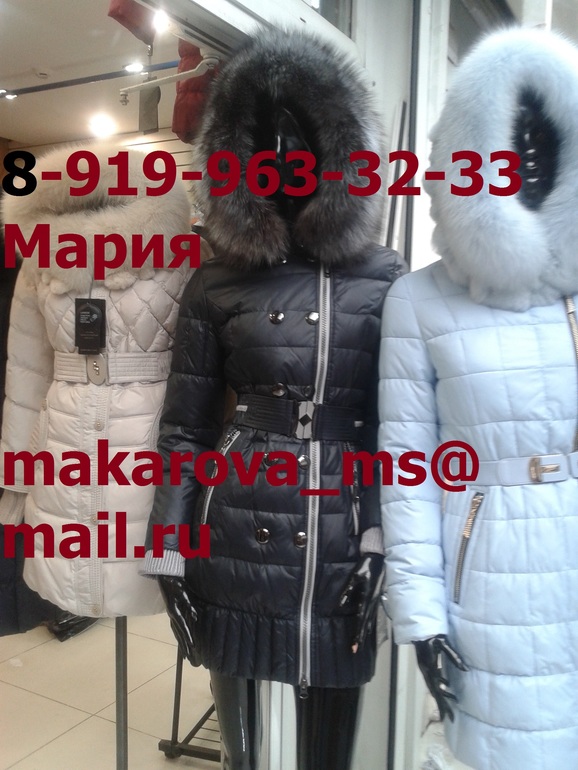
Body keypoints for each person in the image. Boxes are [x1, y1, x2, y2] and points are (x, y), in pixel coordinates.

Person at [143, 28, 406, 770]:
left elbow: (396, 431)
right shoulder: (214, 281)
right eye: (264, 142)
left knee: (329, 754)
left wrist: (381, 542)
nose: (286, 156)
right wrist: (168, 550)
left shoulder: (385, 277)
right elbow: (185, 427)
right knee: (247, 757)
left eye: (305, 140)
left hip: (340, 536)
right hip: (235, 529)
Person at [379, 27, 578, 770]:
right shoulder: (418, 301)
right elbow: (406, 471)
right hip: (488, 581)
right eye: (506, 142)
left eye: (548, 140)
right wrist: (422, 616)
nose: (528, 159)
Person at [0, 143, 193, 619]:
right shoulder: (37, 262)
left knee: (135, 570)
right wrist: (17, 478)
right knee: (76, 568)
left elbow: (206, 375)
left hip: (150, 439)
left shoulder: (186, 253)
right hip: (62, 439)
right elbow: (26, 375)